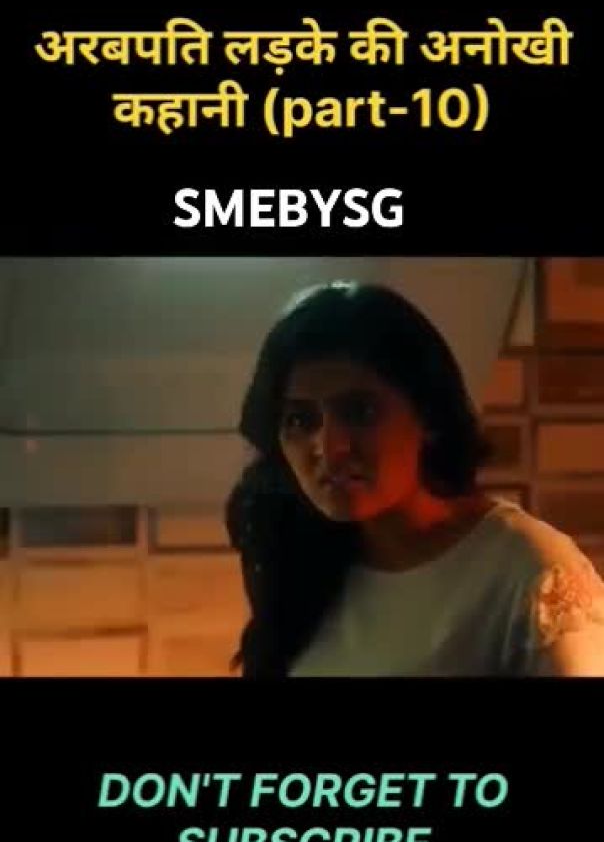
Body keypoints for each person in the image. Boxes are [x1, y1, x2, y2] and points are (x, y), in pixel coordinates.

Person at [225, 281, 604, 678]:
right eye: (299, 420)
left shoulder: (528, 572)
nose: (329, 447)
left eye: (359, 412)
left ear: (429, 416)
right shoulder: (306, 567)